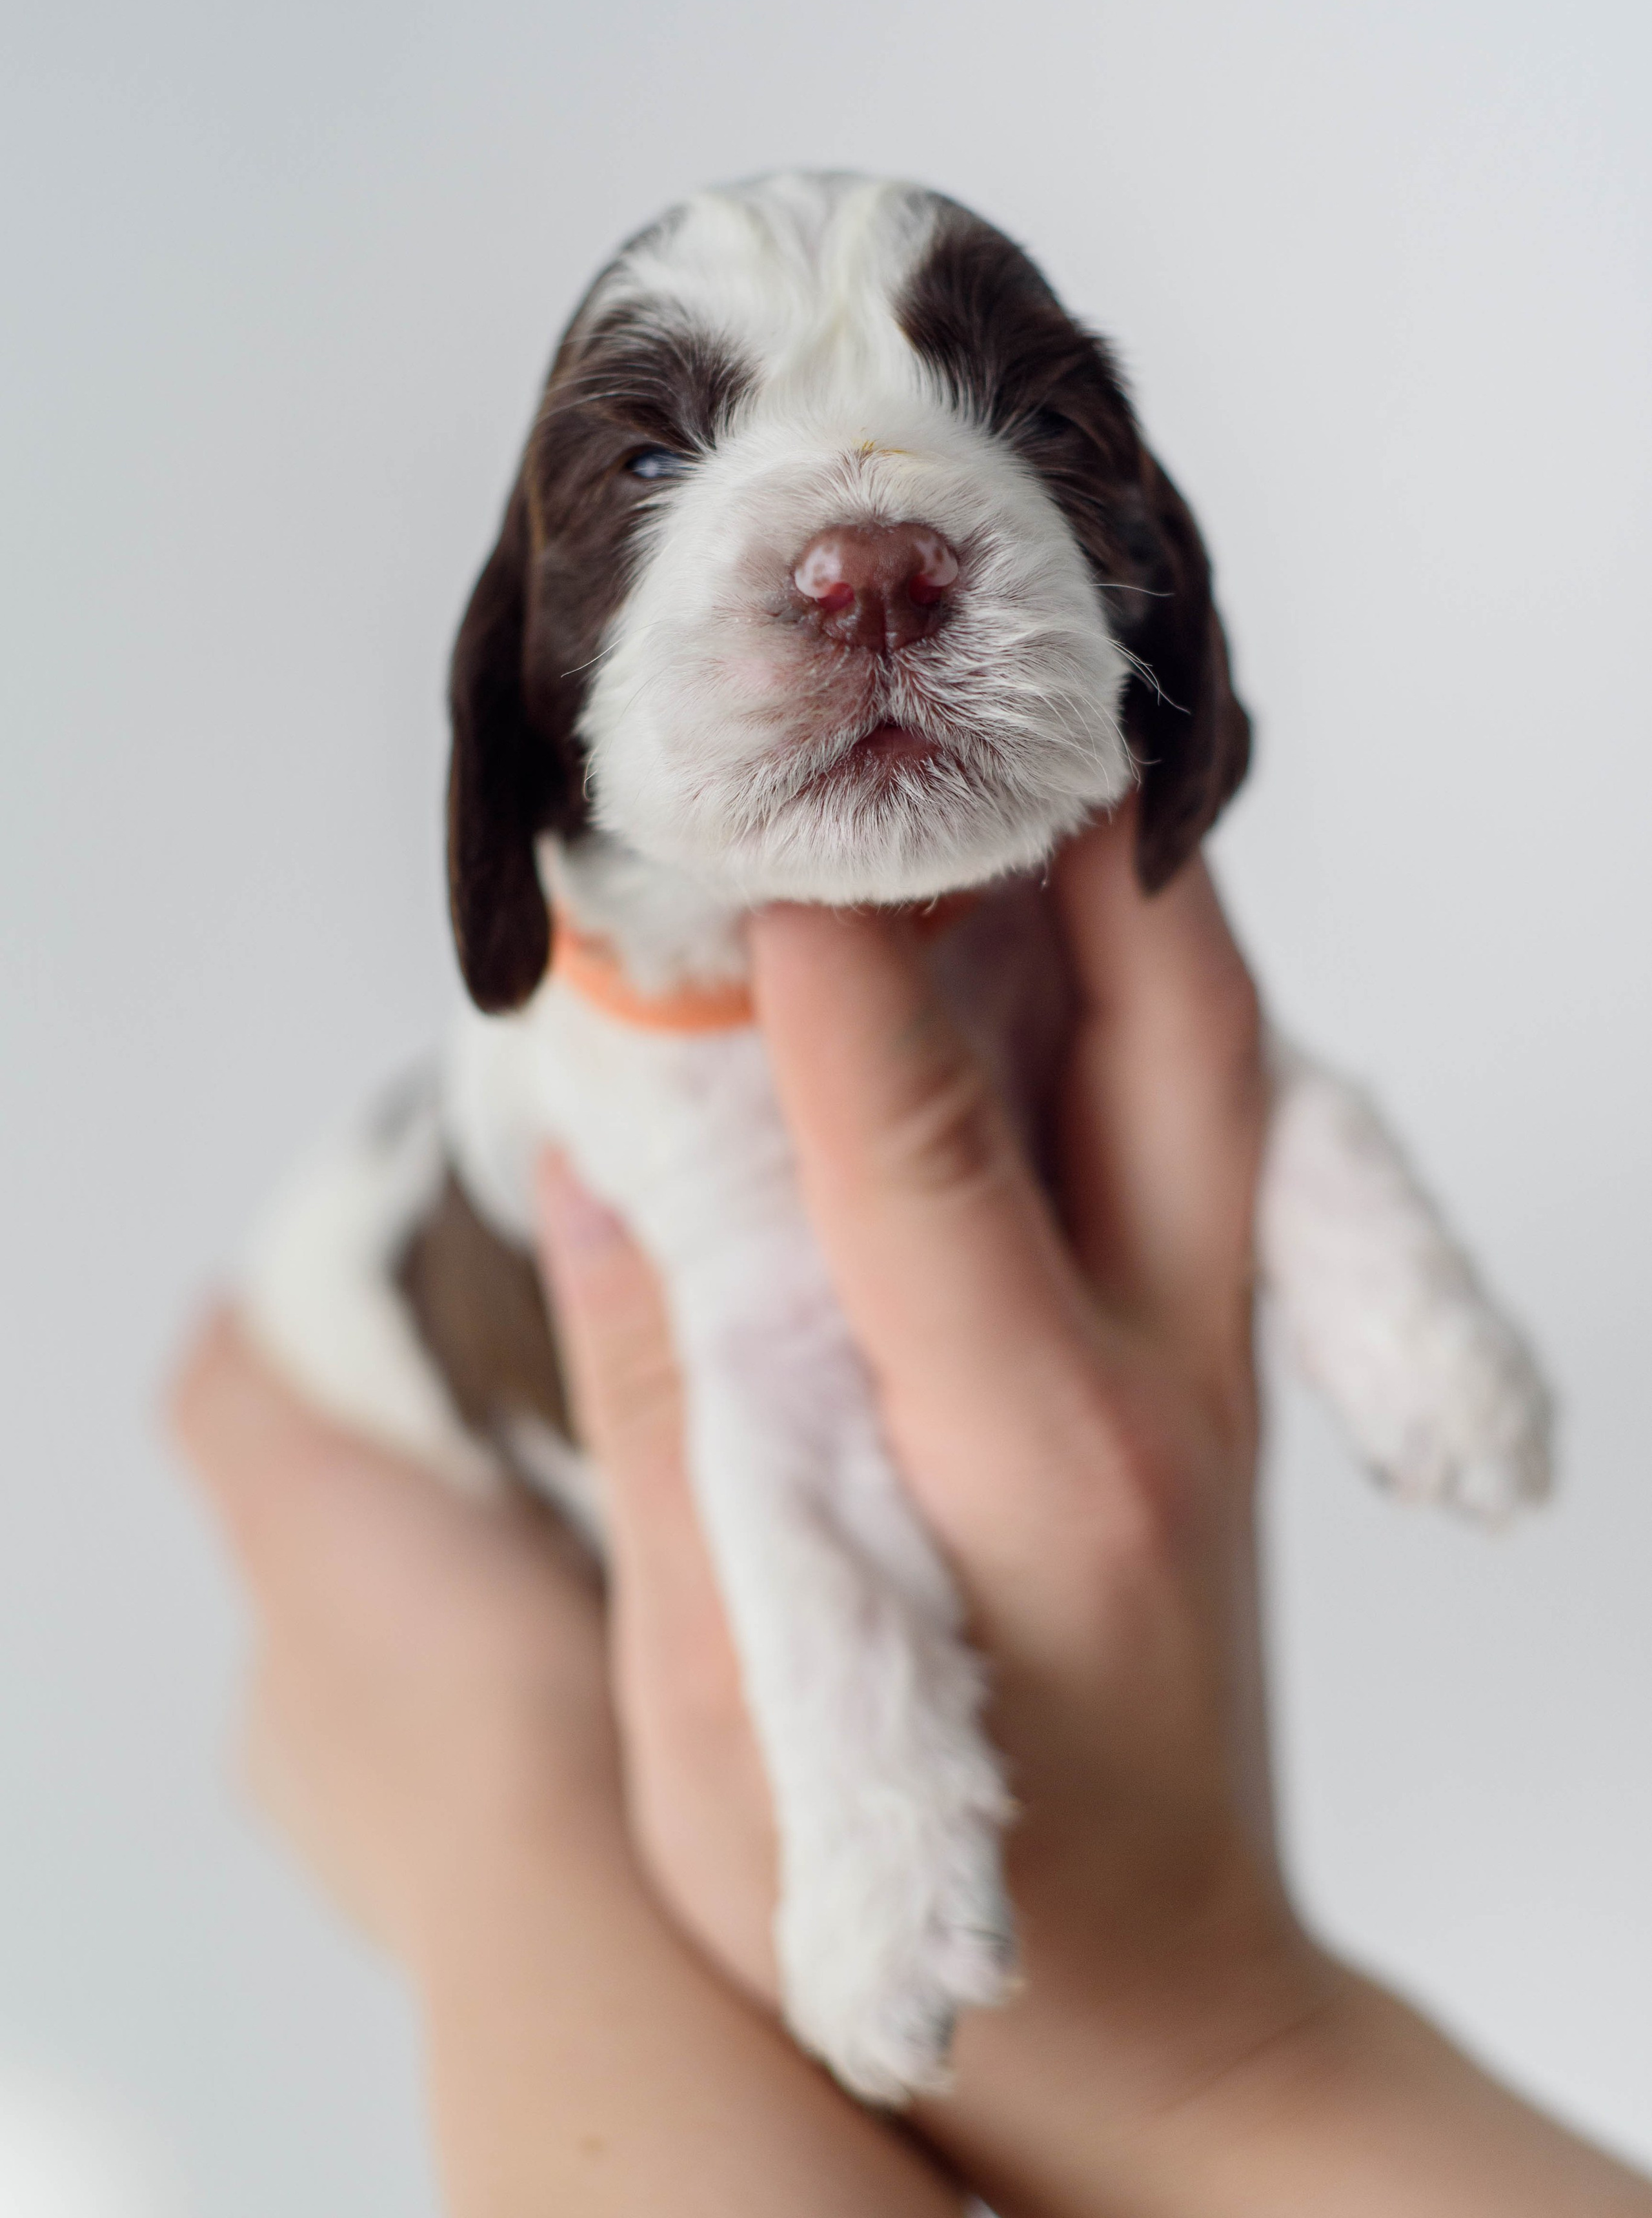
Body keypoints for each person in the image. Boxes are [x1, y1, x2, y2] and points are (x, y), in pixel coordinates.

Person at [171, 803, 1652, 2216]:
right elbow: (766, 1390)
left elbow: (1228, 1091)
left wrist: (493, 1805)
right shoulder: (578, 1071)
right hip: (444, 1449)